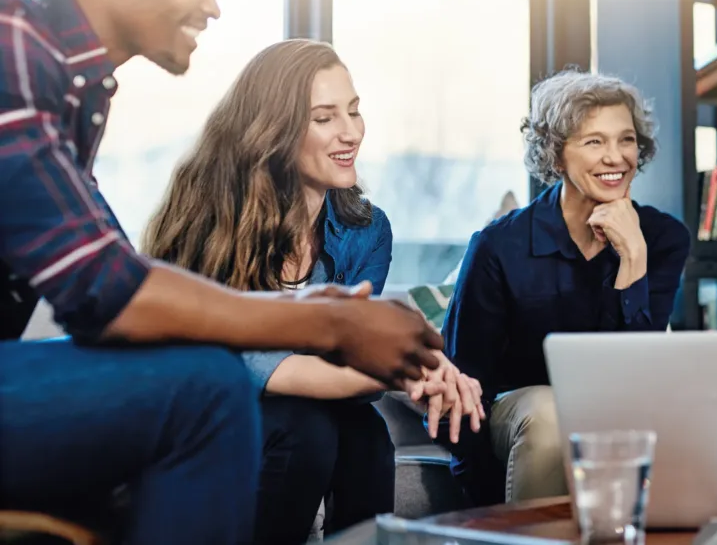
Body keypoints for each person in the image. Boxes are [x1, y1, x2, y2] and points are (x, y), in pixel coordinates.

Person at [0, 0, 442, 543]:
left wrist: (318, 311)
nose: (213, 5)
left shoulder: (73, 87)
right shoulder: (15, 47)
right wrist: (325, 321)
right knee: (205, 389)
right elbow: (105, 293)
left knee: (211, 382)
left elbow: (109, 285)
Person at [143, 38, 485, 544]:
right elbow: (264, 367)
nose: (350, 133)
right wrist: (412, 367)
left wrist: (421, 364)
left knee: (366, 435)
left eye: (354, 111)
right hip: (210, 406)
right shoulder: (209, 216)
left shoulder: (367, 230)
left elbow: (352, 350)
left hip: (306, 409)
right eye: (324, 118)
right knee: (306, 429)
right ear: (274, 129)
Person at [441, 70, 692, 505]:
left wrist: (633, 259)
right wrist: (482, 512)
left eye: (626, 140)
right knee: (548, 409)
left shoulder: (663, 237)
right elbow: (464, 390)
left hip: (618, 413)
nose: (616, 157)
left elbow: (638, 378)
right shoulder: (499, 246)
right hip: (517, 417)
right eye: (594, 141)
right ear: (556, 156)